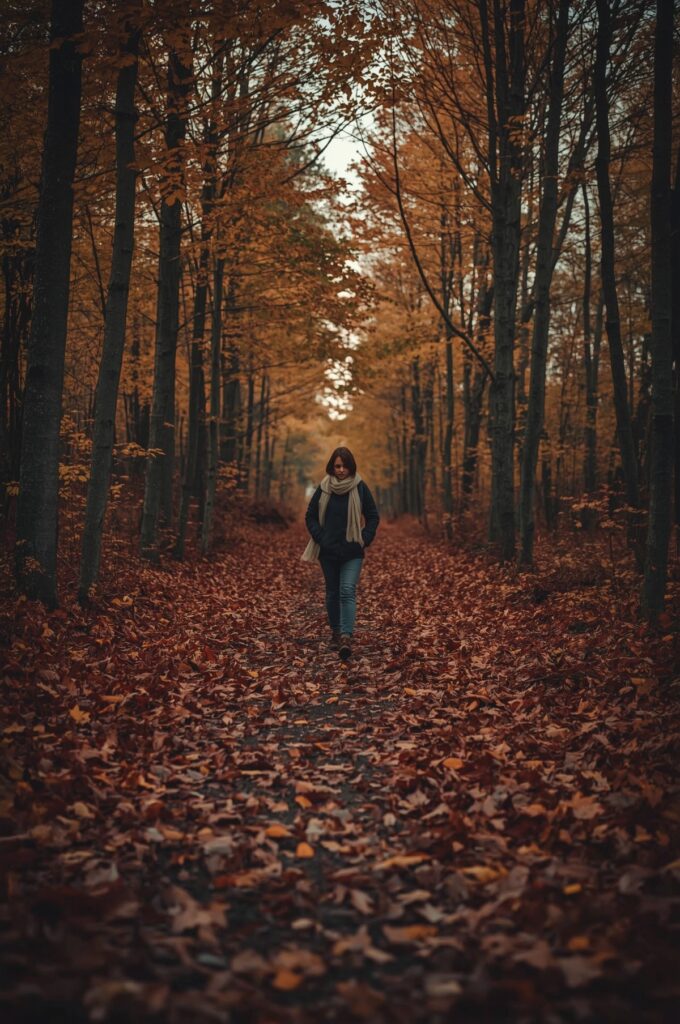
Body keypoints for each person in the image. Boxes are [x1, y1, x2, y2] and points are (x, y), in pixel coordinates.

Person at [302, 446, 380, 661]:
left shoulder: (360, 487)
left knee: (347, 590)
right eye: (337, 466)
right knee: (332, 593)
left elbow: (373, 516)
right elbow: (310, 516)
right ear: (331, 466)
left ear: (351, 466)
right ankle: (336, 632)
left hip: (352, 551)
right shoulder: (324, 488)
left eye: (345, 465)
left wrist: (365, 538)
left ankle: (346, 636)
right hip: (327, 551)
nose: (341, 470)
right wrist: (321, 537)